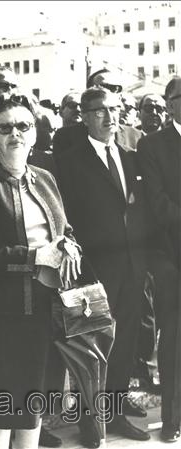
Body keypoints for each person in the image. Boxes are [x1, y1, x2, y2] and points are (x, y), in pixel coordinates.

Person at [0, 95, 80, 449]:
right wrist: (35, 256)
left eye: (23, 126)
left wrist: (70, 245)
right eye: (5, 127)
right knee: (3, 405)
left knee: (36, 402)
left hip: (51, 307)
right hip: (5, 311)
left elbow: (64, 228)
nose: (15, 133)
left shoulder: (45, 177)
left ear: (34, 134)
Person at [57, 87, 152, 446]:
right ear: (83, 115)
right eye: (100, 110)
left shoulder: (130, 157)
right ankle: (89, 422)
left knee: (124, 343)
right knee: (91, 347)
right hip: (92, 272)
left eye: (115, 109)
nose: (110, 116)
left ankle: (114, 414)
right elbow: (67, 218)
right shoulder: (69, 161)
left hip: (131, 267)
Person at [137, 76, 181, 443]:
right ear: (169, 104)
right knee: (174, 343)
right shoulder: (152, 146)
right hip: (171, 258)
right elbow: (158, 204)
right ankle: (172, 419)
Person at [53, 69, 143, 154]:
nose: (108, 93)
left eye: (115, 88)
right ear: (88, 96)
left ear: (120, 96)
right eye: (102, 88)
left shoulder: (136, 136)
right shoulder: (65, 137)